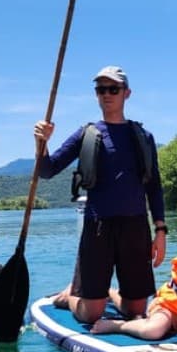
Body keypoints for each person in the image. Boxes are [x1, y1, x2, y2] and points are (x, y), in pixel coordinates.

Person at [35, 65, 167, 324]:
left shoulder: (143, 137)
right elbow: (47, 170)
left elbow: (154, 186)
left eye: (113, 89)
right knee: (91, 315)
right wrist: (42, 142)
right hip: (98, 227)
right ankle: (70, 296)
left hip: (135, 227)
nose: (107, 94)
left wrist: (160, 231)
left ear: (126, 93)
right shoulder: (86, 133)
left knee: (136, 312)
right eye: (101, 89)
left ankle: (107, 291)